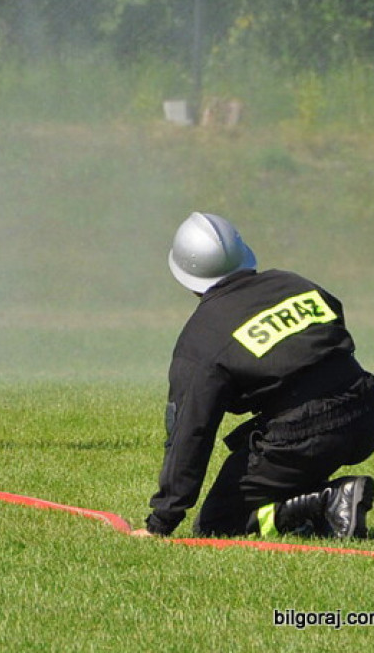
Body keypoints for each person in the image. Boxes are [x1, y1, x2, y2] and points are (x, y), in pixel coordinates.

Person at [138, 212, 374, 539]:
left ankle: (324, 502)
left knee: (216, 525)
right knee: (294, 454)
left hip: (303, 436)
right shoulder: (295, 283)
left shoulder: (202, 338)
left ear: (185, 275)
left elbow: (190, 432)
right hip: (365, 409)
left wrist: (161, 522)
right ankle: (328, 510)